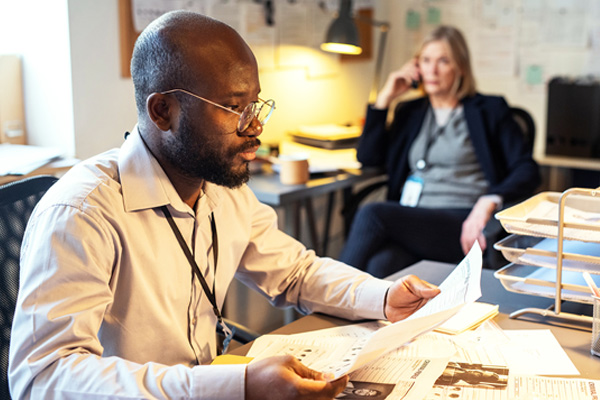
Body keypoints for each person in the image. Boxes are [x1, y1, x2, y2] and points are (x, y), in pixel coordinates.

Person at [8, 11, 441, 400]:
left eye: (255, 104)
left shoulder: (220, 186)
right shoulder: (82, 213)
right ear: (163, 111)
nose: (255, 127)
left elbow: (294, 272)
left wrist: (383, 296)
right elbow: (43, 379)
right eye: (234, 107)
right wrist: (238, 385)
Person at [339, 25, 540, 278]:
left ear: (461, 68)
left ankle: (325, 296)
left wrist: (489, 200)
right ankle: (337, 311)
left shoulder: (489, 110)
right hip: (413, 220)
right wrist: (384, 99)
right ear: (416, 66)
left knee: (372, 213)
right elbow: (368, 158)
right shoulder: (410, 112)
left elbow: (527, 169)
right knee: (381, 265)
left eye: (443, 61)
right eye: (426, 60)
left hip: (463, 222)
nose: (432, 70)